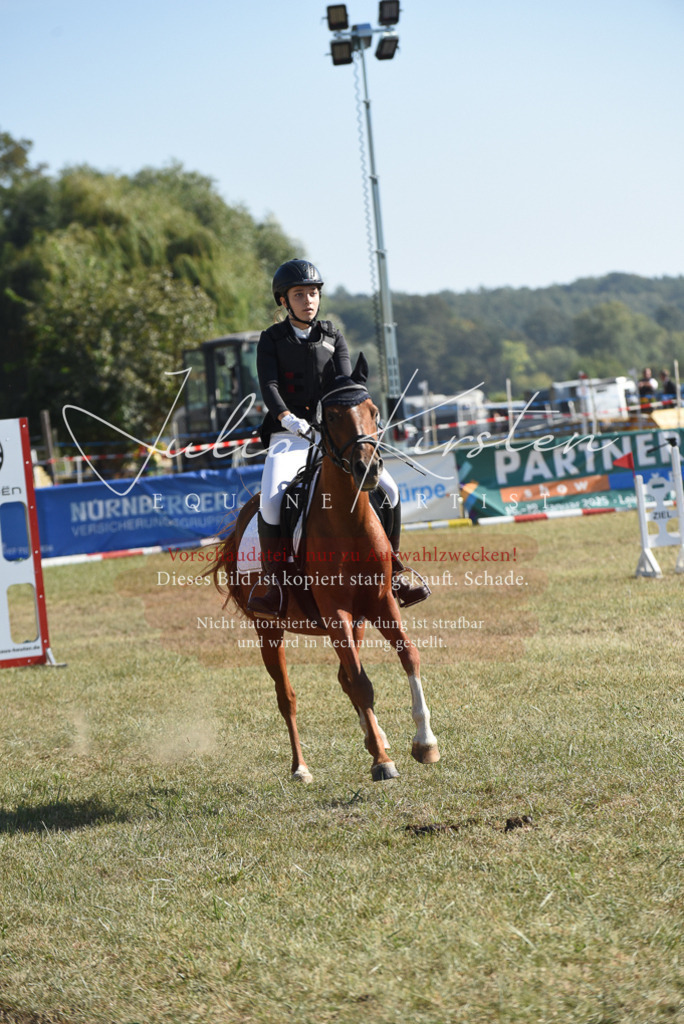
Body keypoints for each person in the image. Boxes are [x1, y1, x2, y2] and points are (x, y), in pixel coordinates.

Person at [247, 258, 429, 616]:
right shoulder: (271, 340)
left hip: (333, 436)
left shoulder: (332, 336)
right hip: (289, 436)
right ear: (283, 301)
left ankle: (394, 571)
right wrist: (288, 418)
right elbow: (268, 385)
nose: (308, 300)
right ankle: (276, 587)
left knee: (389, 489)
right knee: (271, 500)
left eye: (313, 293)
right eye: (299, 294)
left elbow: (346, 387)